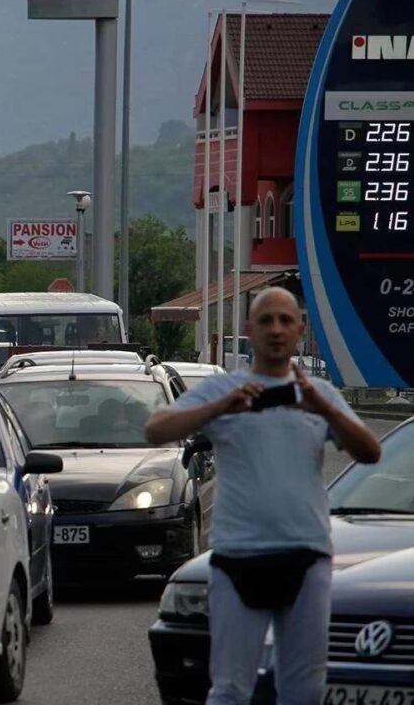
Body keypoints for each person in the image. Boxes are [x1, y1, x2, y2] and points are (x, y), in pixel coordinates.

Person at [143, 287, 380, 705]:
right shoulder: (226, 390)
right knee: (231, 689)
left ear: (300, 330)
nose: (276, 330)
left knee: (303, 689)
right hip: (238, 557)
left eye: (285, 321)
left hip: (305, 555)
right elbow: (156, 429)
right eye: (266, 321)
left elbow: (370, 452)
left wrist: (323, 410)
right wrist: (219, 409)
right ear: (249, 330)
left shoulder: (319, 394)